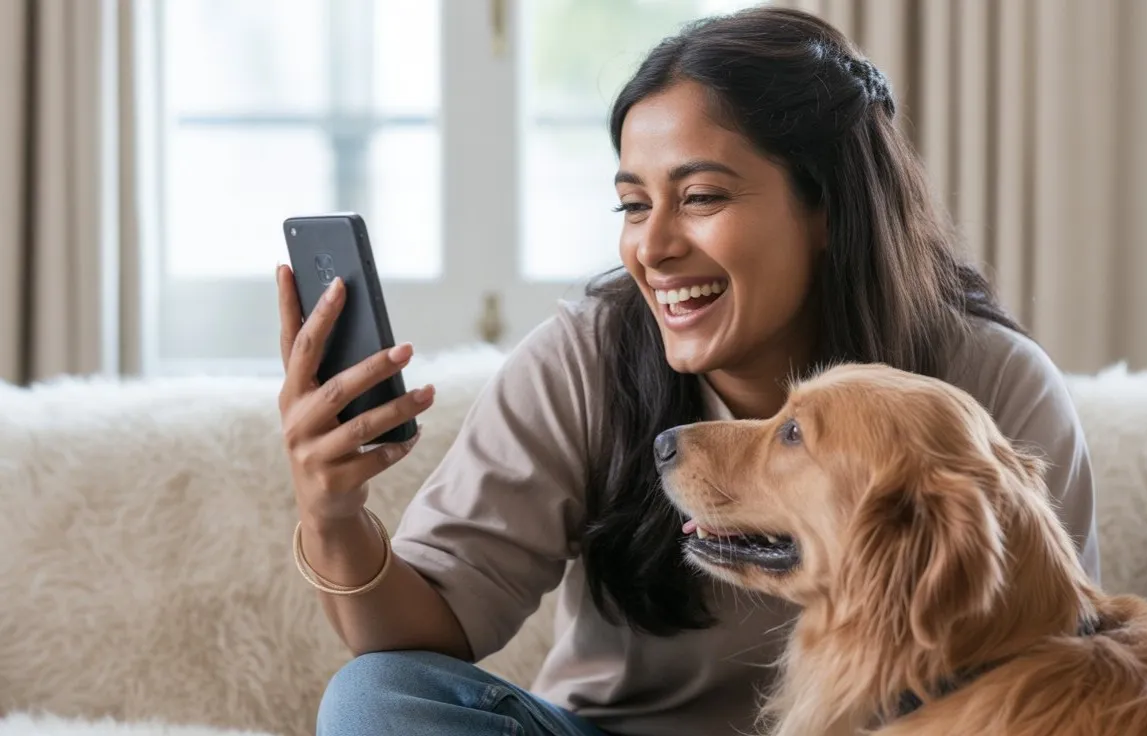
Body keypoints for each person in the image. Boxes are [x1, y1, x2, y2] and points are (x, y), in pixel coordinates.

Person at [274, 7, 1100, 736]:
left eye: (701, 197)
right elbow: (431, 633)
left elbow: (1038, 669)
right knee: (378, 697)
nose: (654, 247)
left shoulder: (988, 390)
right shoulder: (586, 361)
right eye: (634, 205)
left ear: (826, 209)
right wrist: (333, 511)